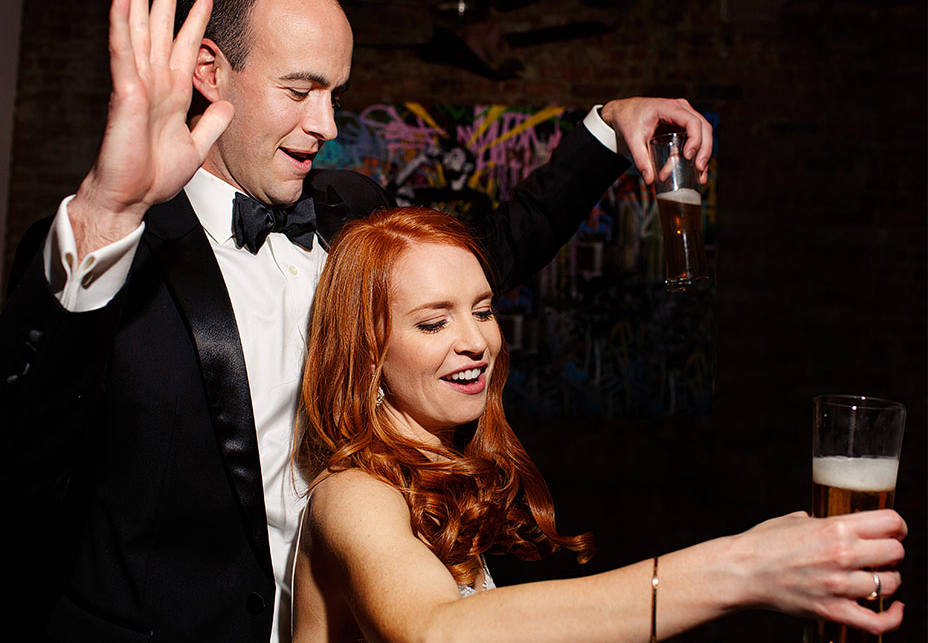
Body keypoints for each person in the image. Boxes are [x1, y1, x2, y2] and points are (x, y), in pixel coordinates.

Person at [0, 0, 713, 642]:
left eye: (335, 93)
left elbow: (488, 253)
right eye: (300, 91)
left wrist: (606, 130)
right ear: (210, 71)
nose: (325, 125)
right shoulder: (106, 250)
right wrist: (108, 213)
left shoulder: (351, 208)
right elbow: (3, 456)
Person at [292, 206, 907, 643]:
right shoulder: (352, 492)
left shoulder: (431, 474)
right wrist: (743, 568)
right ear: (366, 353)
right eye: (434, 322)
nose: (476, 342)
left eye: (482, 311)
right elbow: (435, 632)